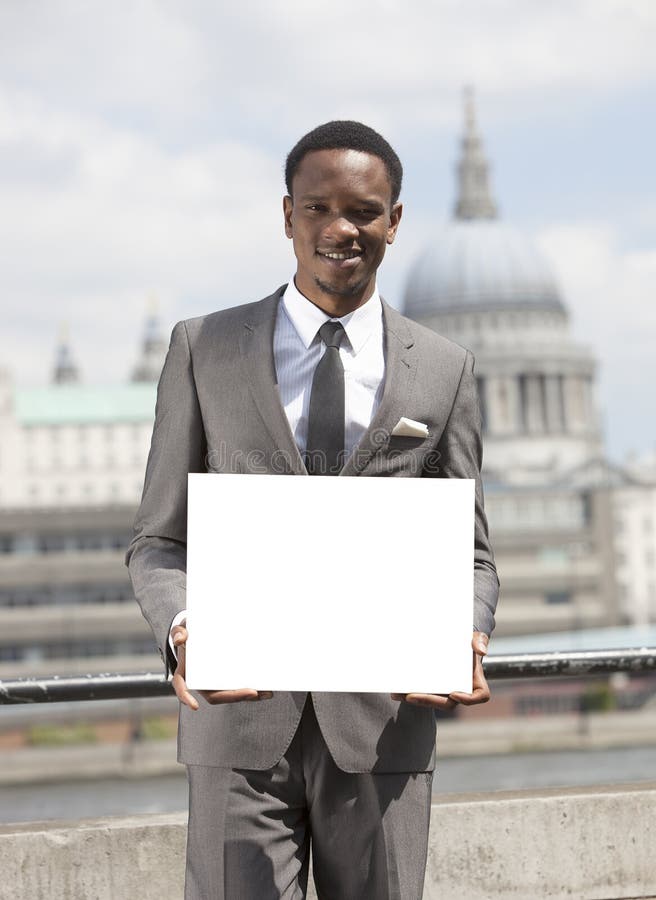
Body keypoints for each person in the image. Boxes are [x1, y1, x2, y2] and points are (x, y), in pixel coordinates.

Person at [127, 120, 499, 900]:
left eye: (364, 212)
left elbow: (469, 553)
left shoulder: (444, 369)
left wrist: (465, 627)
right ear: (287, 213)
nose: (340, 230)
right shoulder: (205, 349)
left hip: (386, 720)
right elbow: (158, 541)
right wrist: (185, 628)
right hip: (237, 729)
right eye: (318, 208)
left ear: (394, 221)